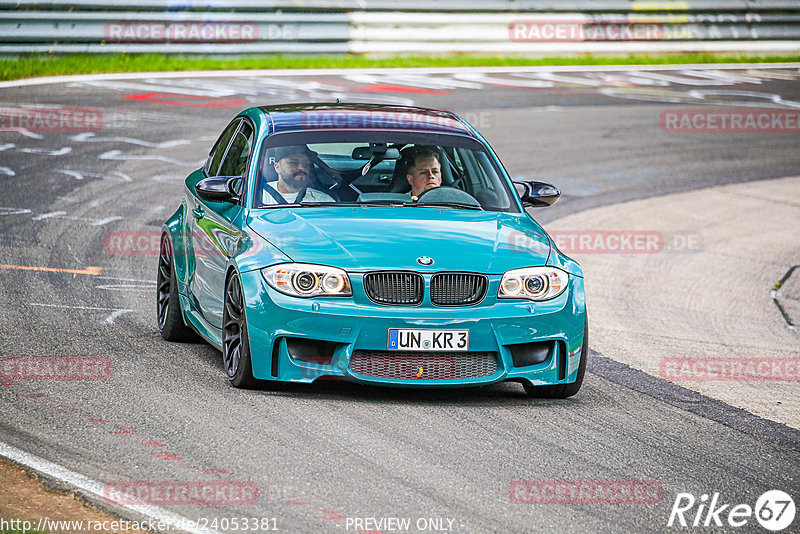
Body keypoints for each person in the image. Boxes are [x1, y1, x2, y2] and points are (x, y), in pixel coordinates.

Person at [261, 145, 335, 205]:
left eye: (306, 163)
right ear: (277, 167)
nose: (302, 168)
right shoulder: (259, 196)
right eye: (293, 162)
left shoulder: (323, 200)